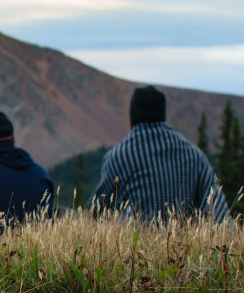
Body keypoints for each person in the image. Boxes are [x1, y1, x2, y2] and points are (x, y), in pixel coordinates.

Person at [90, 85, 229, 222]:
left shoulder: (121, 156)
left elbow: (95, 210)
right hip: (182, 243)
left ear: (131, 119)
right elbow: (219, 213)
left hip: (134, 242)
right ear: (163, 115)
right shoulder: (194, 155)